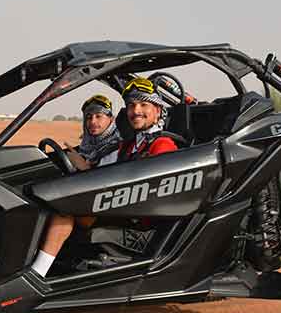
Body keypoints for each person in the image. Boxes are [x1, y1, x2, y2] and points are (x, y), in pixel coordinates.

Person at [30, 81, 178, 277]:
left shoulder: (163, 145)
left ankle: (36, 274)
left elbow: (153, 191)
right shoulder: (129, 145)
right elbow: (106, 175)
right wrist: (82, 167)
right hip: (117, 207)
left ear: (158, 111)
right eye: (132, 106)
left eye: (143, 105)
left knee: (64, 210)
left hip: (134, 218)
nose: (136, 111)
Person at [64, 94, 122, 170]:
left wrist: (84, 167)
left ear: (111, 119)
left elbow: (107, 179)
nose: (92, 121)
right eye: (89, 117)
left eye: (98, 116)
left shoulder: (117, 148)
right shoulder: (88, 146)